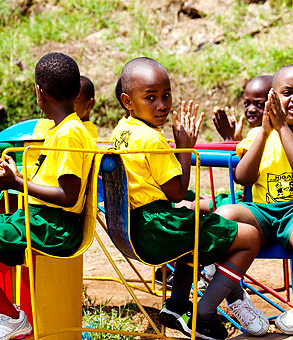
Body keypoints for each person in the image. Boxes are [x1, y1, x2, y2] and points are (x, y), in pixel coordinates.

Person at [111, 57, 269, 340]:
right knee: (250, 238)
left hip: (135, 225)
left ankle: (178, 305)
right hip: (156, 227)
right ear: (127, 101)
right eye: (151, 98)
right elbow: (177, 192)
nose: (162, 105)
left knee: (194, 231)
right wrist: (185, 147)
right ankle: (205, 313)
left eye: (166, 95)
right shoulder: (151, 139)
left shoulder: (122, 131)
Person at [216, 64, 293, 335]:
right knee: (222, 216)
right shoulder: (256, 135)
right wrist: (265, 131)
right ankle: (237, 298)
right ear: (273, 97)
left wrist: (282, 128)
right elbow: (243, 177)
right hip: (262, 213)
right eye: (287, 92)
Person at [0, 52, 95, 340]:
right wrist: (10, 177)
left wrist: (17, 183)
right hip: (39, 219)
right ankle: (0, 314)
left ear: (39, 93)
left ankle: (9, 317)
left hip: (54, 227)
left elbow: (68, 196)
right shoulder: (61, 130)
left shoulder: (70, 133)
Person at [33, 75, 98, 139]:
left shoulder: (81, 131)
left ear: (89, 105)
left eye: (73, 102)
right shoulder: (64, 124)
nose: (64, 105)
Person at [212, 75, 273, 142]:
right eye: (247, 103)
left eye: (259, 104)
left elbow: (248, 153)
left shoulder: (268, 135)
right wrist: (237, 138)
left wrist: (229, 138)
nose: (250, 109)